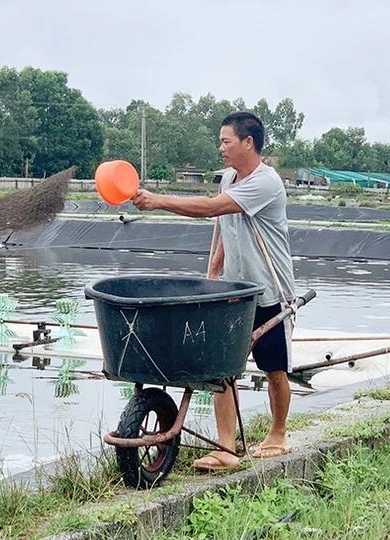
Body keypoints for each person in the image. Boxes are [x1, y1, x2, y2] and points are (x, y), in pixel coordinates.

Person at [130, 111, 296, 471]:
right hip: (235, 292)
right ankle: (225, 448)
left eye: (226, 141)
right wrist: (216, 269)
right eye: (220, 141)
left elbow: (211, 209)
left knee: (275, 369)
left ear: (248, 143)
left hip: (270, 289)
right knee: (224, 369)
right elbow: (227, 226)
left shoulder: (266, 183)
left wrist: (158, 201)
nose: (220, 148)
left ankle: (278, 433)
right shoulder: (228, 179)